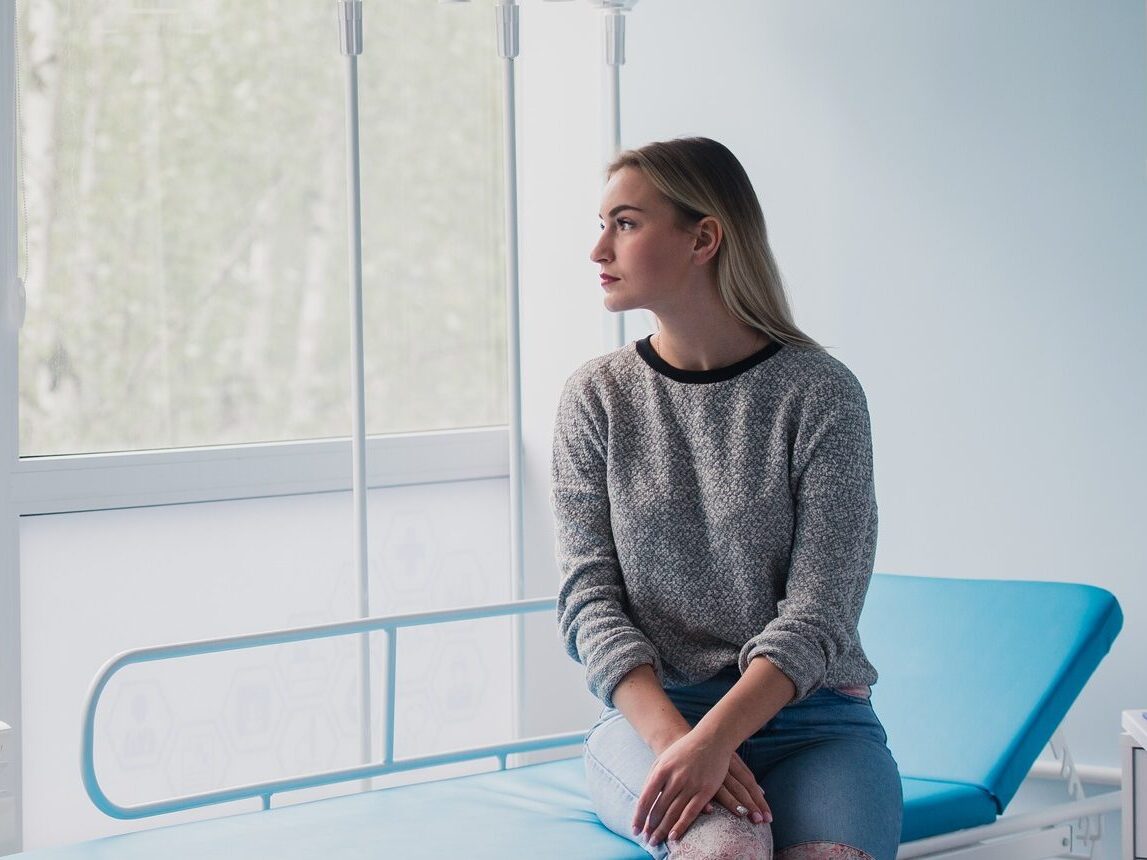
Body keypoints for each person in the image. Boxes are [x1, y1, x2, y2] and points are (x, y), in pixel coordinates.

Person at [550, 137, 903, 860]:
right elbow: (589, 601)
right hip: (657, 722)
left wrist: (717, 740)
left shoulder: (821, 394)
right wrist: (680, 743)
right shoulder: (596, 397)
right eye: (601, 224)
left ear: (703, 238)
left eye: (625, 223)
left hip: (816, 725)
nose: (597, 250)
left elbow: (821, 611)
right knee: (726, 850)